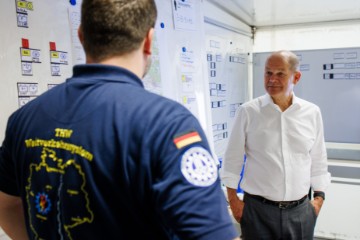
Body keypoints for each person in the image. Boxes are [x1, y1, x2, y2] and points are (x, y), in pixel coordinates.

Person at [0, 0, 240, 239]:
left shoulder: (24, 118)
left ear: (82, 35)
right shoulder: (168, 125)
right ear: (149, 40)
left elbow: (6, 206)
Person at [220, 50, 331, 239]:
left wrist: (319, 199)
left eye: (280, 73)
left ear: (296, 77)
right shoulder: (248, 112)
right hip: (257, 211)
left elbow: (318, 159)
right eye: (268, 73)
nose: (272, 79)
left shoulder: (312, 113)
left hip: (301, 212)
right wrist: (234, 202)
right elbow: (232, 160)